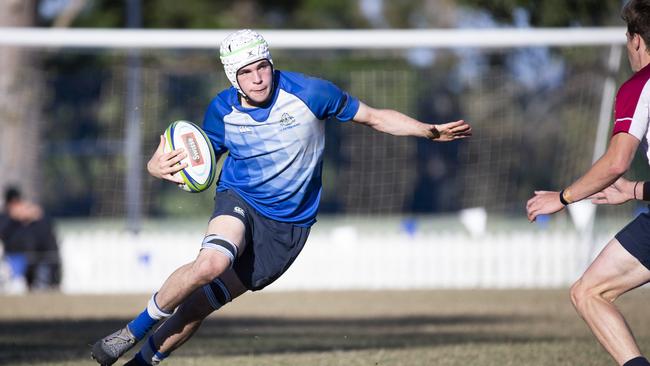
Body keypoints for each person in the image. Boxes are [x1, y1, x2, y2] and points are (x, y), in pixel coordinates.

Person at [90, 29, 472, 366]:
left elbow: (372, 116)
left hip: (288, 227)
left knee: (199, 306)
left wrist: (428, 130)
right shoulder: (221, 110)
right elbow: (196, 162)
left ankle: (141, 363)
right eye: (246, 72)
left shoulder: (312, 93)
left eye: (262, 67)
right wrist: (156, 167)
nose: (258, 79)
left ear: (271, 64)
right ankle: (131, 330)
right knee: (209, 264)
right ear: (232, 77)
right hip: (239, 198)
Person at [526, 2, 650, 365]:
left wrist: (562, 198)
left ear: (637, 41)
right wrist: (633, 190)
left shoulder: (640, 86)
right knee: (589, 290)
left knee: (589, 292)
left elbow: (616, 161)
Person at [0, 186, 61, 290]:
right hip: (13, 260)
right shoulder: (5, 218)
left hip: (37, 259)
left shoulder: (35, 218)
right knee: (15, 286)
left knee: (41, 286)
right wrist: (12, 217)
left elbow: (47, 234)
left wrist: (35, 215)